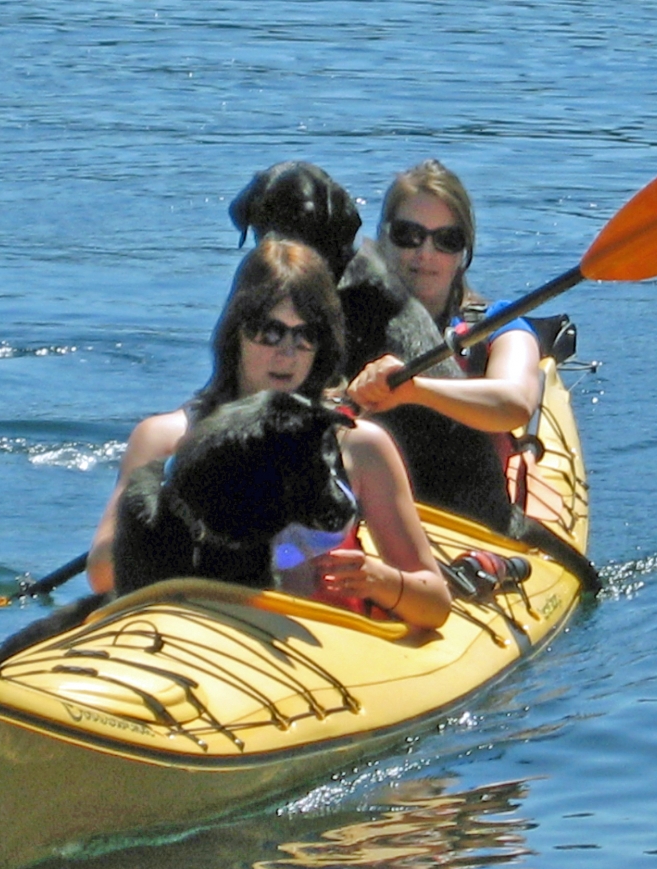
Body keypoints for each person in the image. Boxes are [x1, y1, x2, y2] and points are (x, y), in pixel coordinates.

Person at [86, 237, 450, 631]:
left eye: (304, 335)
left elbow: (434, 603)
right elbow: (102, 573)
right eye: (269, 332)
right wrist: (192, 500)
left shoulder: (359, 446)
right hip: (192, 636)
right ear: (236, 333)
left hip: (321, 651)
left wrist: (381, 581)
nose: (287, 354)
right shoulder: (166, 438)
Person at [348, 159, 543, 438]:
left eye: (446, 239)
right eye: (409, 235)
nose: (426, 254)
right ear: (383, 236)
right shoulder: (347, 322)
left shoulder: (498, 325)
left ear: (463, 251)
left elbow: (516, 403)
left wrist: (415, 389)